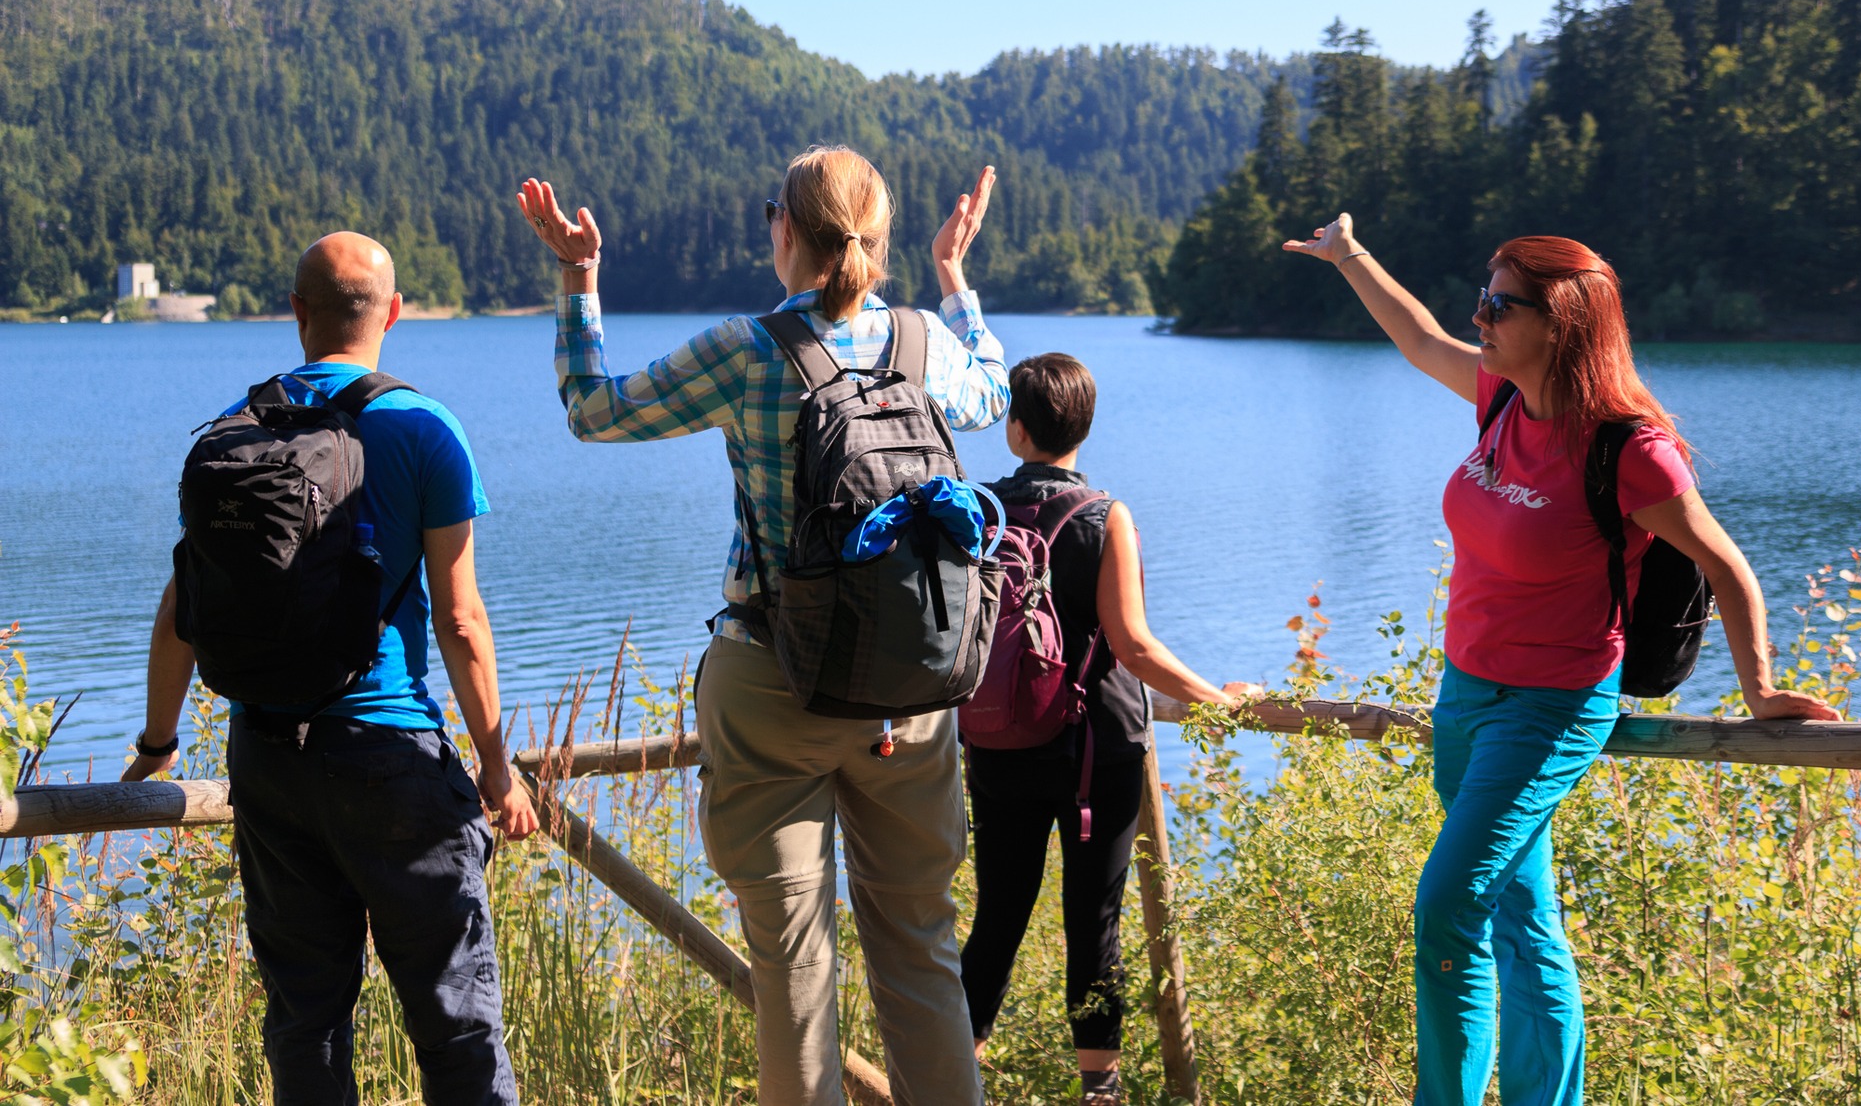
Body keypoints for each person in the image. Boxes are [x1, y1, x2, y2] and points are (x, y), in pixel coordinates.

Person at [1279, 217, 1840, 1106]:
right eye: (1483, 298)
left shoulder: (1630, 449)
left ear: (1562, 322)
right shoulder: (1501, 397)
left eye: (1501, 306)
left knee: (1448, 908)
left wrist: (1761, 687)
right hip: (1464, 695)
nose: (1480, 319)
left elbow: (1725, 564)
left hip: (1549, 709)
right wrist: (1350, 255)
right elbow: (1418, 337)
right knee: (1521, 918)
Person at [517, 147, 1009, 1106]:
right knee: (919, 947)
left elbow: (594, 411)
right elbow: (993, 391)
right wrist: (956, 282)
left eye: (769, 215)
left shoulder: (748, 349)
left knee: (793, 970)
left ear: (786, 228)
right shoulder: (923, 344)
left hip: (773, 683)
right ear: (881, 235)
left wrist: (579, 279)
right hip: (910, 693)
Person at [124, 232, 538, 1105]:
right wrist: (498, 769)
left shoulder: (236, 433)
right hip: (391, 759)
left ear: (297, 312)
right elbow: (461, 620)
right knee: (456, 1024)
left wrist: (158, 745)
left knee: (306, 1021)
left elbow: (178, 616)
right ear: (393, 312)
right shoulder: (423, 428)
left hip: (269, 764)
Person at [957, 352, 1252, 1106]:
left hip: (999, 742)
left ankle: (952, 1077)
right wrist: (1216, 702)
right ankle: (1100, 1091)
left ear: (1016, 430)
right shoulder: (1104, 515)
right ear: (1084, 427)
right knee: (1095, 924)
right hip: (1099, 755)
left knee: (998, 916)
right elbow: (1134, 646)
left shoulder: (980, 511)